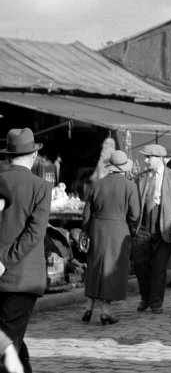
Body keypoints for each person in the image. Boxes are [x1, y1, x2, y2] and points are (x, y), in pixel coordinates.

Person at [0, 128, 52, 373]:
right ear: (33, 156)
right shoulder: (40, 186)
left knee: (10, 339)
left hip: (10, 275)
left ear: (8, 155)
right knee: (7, 343)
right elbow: (35, 233)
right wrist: (4, 261)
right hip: (22, 277)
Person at [132, 144, 171, 314]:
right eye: (145, 157)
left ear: (159, 159)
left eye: (148, 157)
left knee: (159, 267)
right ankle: (145, 297)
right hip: (144, 224)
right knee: (140, 264)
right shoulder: (141, 178)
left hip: (165, 225)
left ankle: (156, 302)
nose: (145, 160)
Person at [81, 150, 140, 326]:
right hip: (118, 230)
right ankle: (105, 312)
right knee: (111, 269)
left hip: (97, 228)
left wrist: (86, 230)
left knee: (94, 266)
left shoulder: (97, 185)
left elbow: (86, 214)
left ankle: (88, 307)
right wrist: (132, 231)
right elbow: (135, 215)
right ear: (124, 168)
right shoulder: (130, 186)